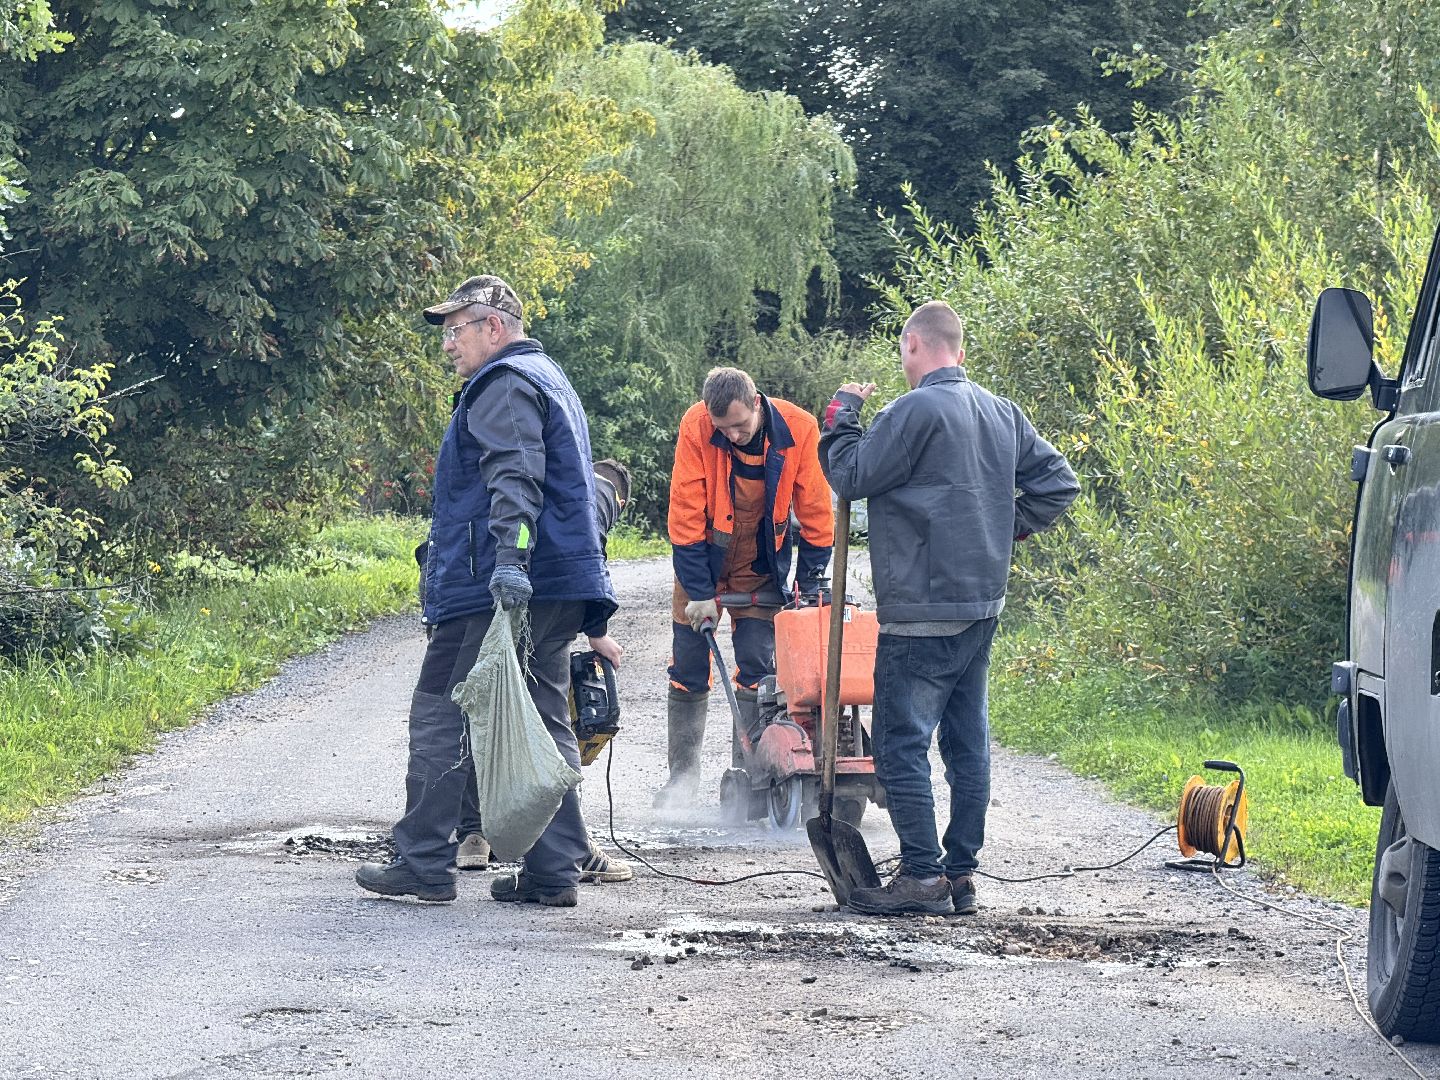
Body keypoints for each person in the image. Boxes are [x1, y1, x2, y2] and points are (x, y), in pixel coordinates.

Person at [355, 274, 618, 907]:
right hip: (554, 582)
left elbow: (516, 475)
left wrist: (510, 561)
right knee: (543, 714)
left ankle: (422, 860)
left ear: (493, 327)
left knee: (442, 710)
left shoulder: (502, 385)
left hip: (496, 584)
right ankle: (554, 870)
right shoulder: (547, 376)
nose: (448, 344)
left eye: (455, 330)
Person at [818, 300, 1079, 916]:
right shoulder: (1001, 412)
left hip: (921, 610)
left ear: (913, 346)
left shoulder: (911, 413)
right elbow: (1058, 484)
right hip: (982, 606)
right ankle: (960, 875)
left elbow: (850, 475)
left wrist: (843, 413)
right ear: (958, 352)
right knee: (967, 743)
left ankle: (922, 876)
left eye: (903, 353)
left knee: (900, 744)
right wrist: (1002, 528)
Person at [657, 366, 834, 808]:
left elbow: (814, 511)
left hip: (759, 569)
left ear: (757, 403)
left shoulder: (799, 428)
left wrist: (809, 585)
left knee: (757, 665)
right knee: (689, 667)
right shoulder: (695, 426)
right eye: (724, 428)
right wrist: (700, 592)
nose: (733, 435)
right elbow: (685, 514)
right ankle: (682, 782)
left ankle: (751, 782)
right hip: (701, 565)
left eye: (740, 424)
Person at [452, 458, 632, 883]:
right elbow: (591, 555)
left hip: (483, 593)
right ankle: (574, 853)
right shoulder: (604, 493)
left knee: (479, 711)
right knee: (551, 721)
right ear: (622, 498)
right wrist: (596, 630)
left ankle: (473, 835)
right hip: (544, 603)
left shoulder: (554, 475)